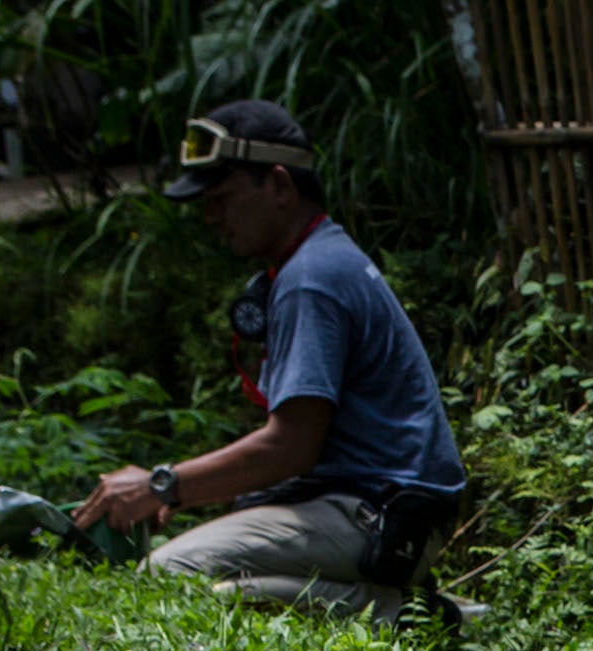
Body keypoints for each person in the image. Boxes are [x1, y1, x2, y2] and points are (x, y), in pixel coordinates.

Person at [72, 99, 466, 620]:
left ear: (280, 186)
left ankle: (403, 615)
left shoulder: (312, 279)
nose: (212, 217)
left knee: (167, 577)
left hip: (379, 519)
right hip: (371, 513)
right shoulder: (318, 260)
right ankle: (398, 606)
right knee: (220, 589)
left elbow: (291, 447)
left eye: (223, 198)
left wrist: (161, 484)